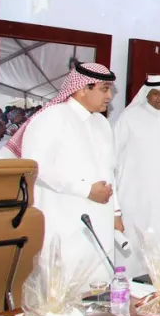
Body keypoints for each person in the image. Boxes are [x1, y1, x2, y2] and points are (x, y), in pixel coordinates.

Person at [8, 63, 121, 283]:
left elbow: (109, 171)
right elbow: (36, 167)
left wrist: (116, 212)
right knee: (64, 285)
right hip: (63, 218)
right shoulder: (51, 118)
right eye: (104, 89)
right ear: (82, 89)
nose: (109, 96)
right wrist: (85, 190)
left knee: (98, 287)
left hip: (101, 219)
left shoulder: (102, 123)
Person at [113, 75, 160, 276]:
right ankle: (130, 283)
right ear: (147, 94)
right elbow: (113, 158)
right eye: (156, 93)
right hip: (137, 195)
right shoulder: (129, 118)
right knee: (137, 241)